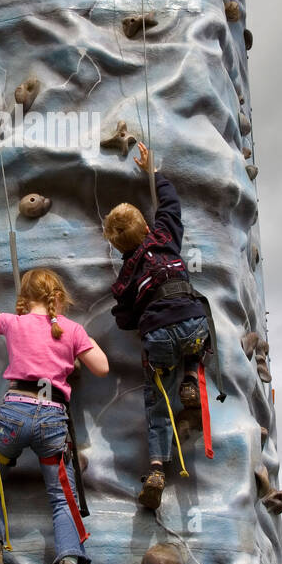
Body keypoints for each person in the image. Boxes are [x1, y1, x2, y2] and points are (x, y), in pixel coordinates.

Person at [0, 269, 109, 564]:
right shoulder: (71, 329)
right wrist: (72, 356)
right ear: (59, 297)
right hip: (53, 419)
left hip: (14, 413)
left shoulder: (14, 322)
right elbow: (101, 367)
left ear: (27, 298)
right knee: (62, 496)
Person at [103, 143, 210, 510]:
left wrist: (135, 314)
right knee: (201, 336)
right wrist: (153, 173)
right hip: (190, 318)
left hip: (158, 334)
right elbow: (171, 205)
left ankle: (156, 469)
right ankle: (193, 377)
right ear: (147, 226)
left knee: (157, 403)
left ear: (118, 246)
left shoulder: (126, 272)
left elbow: (123, 316)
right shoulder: (165, 237)